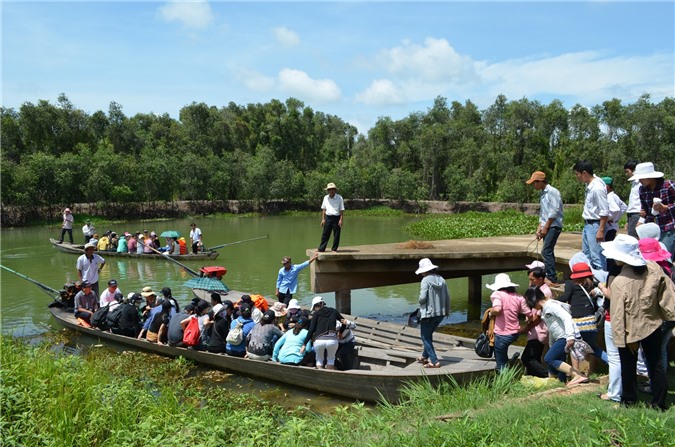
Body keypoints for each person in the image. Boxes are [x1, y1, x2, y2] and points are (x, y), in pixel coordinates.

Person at [599, 234, 675, 410]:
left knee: (628, 365)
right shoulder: (654, 268)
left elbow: (618, 316)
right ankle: (659, 403)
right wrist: (668, 316)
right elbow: (667, 294)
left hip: (629, 330)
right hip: (653, 323)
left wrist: (623, 339)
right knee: (655, 364)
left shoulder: (620, 282)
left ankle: (629, 400)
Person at [524, 286, 589, 386]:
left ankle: (578, 375)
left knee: (549, 359)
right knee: (558, 360)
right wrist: (551, 344)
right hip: (558, 338)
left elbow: (566, 317)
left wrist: (570, 336)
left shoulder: (550, 305)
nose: (533, 308)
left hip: (565, 336)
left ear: (534, 300)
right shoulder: (544, 311)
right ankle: (560, 383)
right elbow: (552, 328)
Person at [557, 262, 608, 374]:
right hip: (590, 322)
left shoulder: (570, 284)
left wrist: (550, 301)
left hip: (577, 323)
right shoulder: (593, 284)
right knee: (593, 348)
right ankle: (611, 361)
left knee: (573, 348)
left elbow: (565, 297)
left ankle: (576, 374)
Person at [486, 273, 531, 372]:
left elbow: (497, 309)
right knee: (503, 353)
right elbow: (529, 313)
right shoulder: (519, 297)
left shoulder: (497, 294)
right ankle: (509, 364)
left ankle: (504, 381)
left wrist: (490, 312)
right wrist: (528, 325)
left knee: (500, 363)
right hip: (515, 333)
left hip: (502, 334)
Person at [629, 161, 675, 257]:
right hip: (653, 230)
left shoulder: (668, 185)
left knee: (664, 257)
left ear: (649, 177)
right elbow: (645, 210)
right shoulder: (642, 190)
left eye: (641, 178)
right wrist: (641, 219)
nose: (639, 181)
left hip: (669, 227)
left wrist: (665, 207)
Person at [526, 170, 564, 284]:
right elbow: (543, 214)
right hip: (547, 225)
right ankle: (550, 274)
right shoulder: (543, 193)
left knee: (546, 251)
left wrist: (545, 228)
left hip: (554, 226)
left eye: (534, 183)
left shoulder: (553, 192)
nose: (533, 185)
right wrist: (539, 229)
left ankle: (551, 277)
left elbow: (553, 212)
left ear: (540, 181)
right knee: (548, 251)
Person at [414, 258, 450, 369]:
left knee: (425, 337)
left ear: (424, 271)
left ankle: (434, 361)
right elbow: (448, 296)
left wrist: (419, 302)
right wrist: (446, 311)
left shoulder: (425, 280)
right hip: (441, 313)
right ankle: (424, 356)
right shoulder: (441, 279)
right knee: (428, 335)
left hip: (429, 314)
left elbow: (422, 298)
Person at [573, 160, 609, 270]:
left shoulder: (597, 188)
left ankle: (602, 282)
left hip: (595, 225)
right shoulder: (590, 185)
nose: (577, 177)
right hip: (588, 225)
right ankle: (590, 282)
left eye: (577, 174)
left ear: (584, 173)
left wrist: (601, 230)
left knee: (597, 257)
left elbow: (604, 210)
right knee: (586, 256)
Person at [520, 267, 550, 378]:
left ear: (541, 279)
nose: (530, 282)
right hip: (537, 330)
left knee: (527, 358)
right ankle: (536, 379)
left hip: (539, 330)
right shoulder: (539, 289)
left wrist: (526, 328)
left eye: (533, 280)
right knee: (534, 357)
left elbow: (538, 317)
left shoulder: (544, 292)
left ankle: (547, 376)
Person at [301, 296, 346, 369]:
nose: (315, 309)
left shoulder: (316, 314)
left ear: (317, 306)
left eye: (315, 307)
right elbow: (344, 322)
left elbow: (311, 330)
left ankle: (320, 375)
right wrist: (340, 332)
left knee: (319, 359)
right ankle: (328, 375)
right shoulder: (333, 311)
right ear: (322, 303)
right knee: (331, 359)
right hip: (332, 340)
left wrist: (304, 344)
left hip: (319, 341)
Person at [318, 182, 345, 252]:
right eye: (329, 189)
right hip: (328, 217)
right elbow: (324, 209)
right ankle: (321, 248)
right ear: (328, 190)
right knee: (325, 234)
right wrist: (323, 219)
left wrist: (341, 220)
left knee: (336, 234)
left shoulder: (339, 198)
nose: (331, 191)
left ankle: (334, 249)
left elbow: (341, 210)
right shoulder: (325, 198)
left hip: (336, 217)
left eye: (332, 189)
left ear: (335, 190)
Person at [602, 176, 627, 242]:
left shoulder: (609, 197)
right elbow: (624, 207)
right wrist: (616, 218)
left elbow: (616, 209)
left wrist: (610, 218)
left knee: (607, 246)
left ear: (606, 186)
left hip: (609, 226)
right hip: (614, 225)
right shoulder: (615, 196)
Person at [624, 160, 641, 238]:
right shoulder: (634, 183)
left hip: (637, 213)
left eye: (627, 171)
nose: (626, 174)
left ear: (634, 170)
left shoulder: (640, 184)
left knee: (634, 238)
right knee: (631, 236)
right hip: (632, 214)